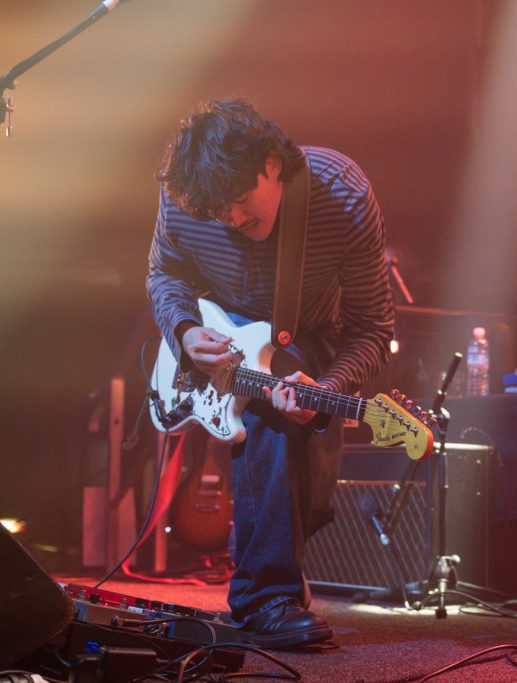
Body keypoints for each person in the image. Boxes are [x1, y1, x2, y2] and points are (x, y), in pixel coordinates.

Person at [146, 99, 394, 648]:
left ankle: (273, 580)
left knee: (294, 425)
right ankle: (265, 598)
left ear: (272, 165)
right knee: (274, 418)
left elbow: (373, 328)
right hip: (214, 335)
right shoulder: (186, 194)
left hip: (307, 335)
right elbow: (164, 273)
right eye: (218, 213)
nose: (233, 220)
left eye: (240, 202)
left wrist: (328, 389)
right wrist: (185, 331)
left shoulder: (341, 194)